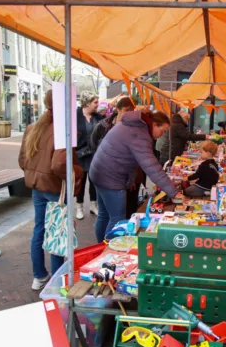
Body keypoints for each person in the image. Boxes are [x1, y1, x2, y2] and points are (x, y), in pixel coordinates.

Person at [19, 90, 85, 290]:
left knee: (39, 229)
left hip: (37, 187)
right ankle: (57, 278)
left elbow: (22, 160)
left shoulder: (32, 128)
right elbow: (58, 165)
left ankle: (39, 275)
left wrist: (36, 174)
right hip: (56, 189)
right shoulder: (62, 130)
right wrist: (78, 171)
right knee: (57, 231)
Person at [90, 110, 184, 241]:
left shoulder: (133, 126)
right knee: (117, 219)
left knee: (104, 215)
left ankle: (98, 248)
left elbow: (128, 157)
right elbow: (151, 167)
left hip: (99, 172)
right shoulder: (140, 133)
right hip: (111, 177)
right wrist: (173, 192)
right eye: (162, 131)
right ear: (155, 124)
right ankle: (106, 252)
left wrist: (131, 178)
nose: (162, 135)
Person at [89, 97, 143, 218]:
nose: (128, 114)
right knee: (110, 216)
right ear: (117, 109)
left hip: (123, 176)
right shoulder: (102, 126)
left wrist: (132, 178)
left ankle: (110, 235)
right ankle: (107, 237)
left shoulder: (132, 128)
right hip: (105, 175)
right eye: (125, 110)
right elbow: (93, 146)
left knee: (122, 212)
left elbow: (133, 157)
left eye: (131, 111)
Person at [75, 94, 103, 220]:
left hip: (94, 154)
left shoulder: (98, 117)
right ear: (87, 103)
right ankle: (79, 207)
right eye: (95, 102)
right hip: (80, 154)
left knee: (94, 180)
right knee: (80, 181)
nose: (98, 104)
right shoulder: (75, 116)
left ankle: (93, 205)